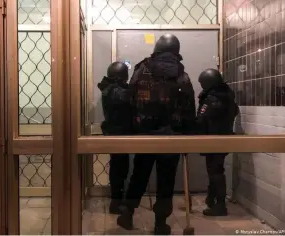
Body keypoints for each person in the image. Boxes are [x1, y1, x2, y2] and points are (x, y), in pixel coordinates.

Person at [117, 34, 196, 235]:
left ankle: (127, 211)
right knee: (166, 181)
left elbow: (129, 100)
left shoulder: (141, 70)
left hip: (145, 135)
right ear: (176, 50)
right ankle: (160, 223)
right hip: (172, 137)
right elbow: (189, 109)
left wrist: (130, 130)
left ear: (157, 48)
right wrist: (188, 135)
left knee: (139, 175)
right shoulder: (182, 76)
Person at [196, 68, 239, 216]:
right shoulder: (227, 95)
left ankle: (220, 205)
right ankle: (213, 199)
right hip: (223, 138)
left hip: (213, 139)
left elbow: (202, 118)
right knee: (217, 170)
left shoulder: (212, 99)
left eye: (202, 84)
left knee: (215, 172)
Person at [97, 61, 132, 214]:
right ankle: (116, 201)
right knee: (119, 169)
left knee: (119, 167)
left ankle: (117, 199)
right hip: (119, 134)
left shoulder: (109, 88)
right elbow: (128, 100)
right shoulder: (115, 90)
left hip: (117, 133)